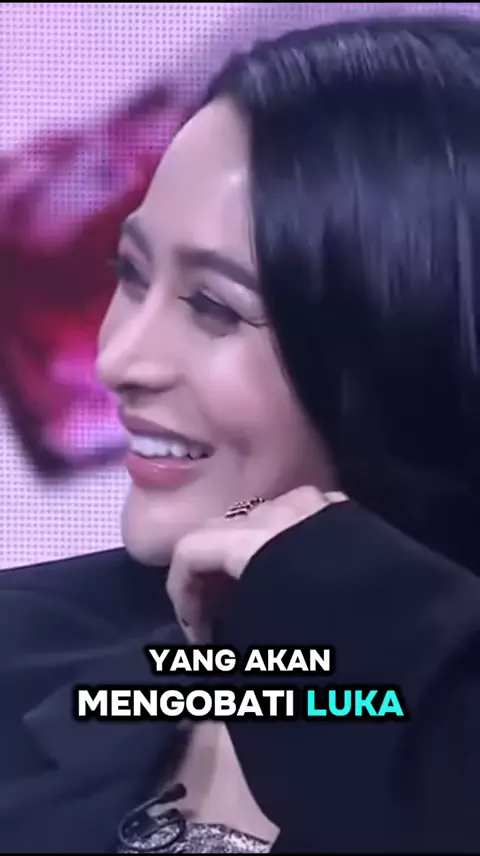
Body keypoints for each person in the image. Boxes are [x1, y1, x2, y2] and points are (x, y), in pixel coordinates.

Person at [2, 13, 480, 853]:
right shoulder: (21, 646)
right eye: (130, 273)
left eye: (213, 306)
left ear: (409, 351)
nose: (119, 357)